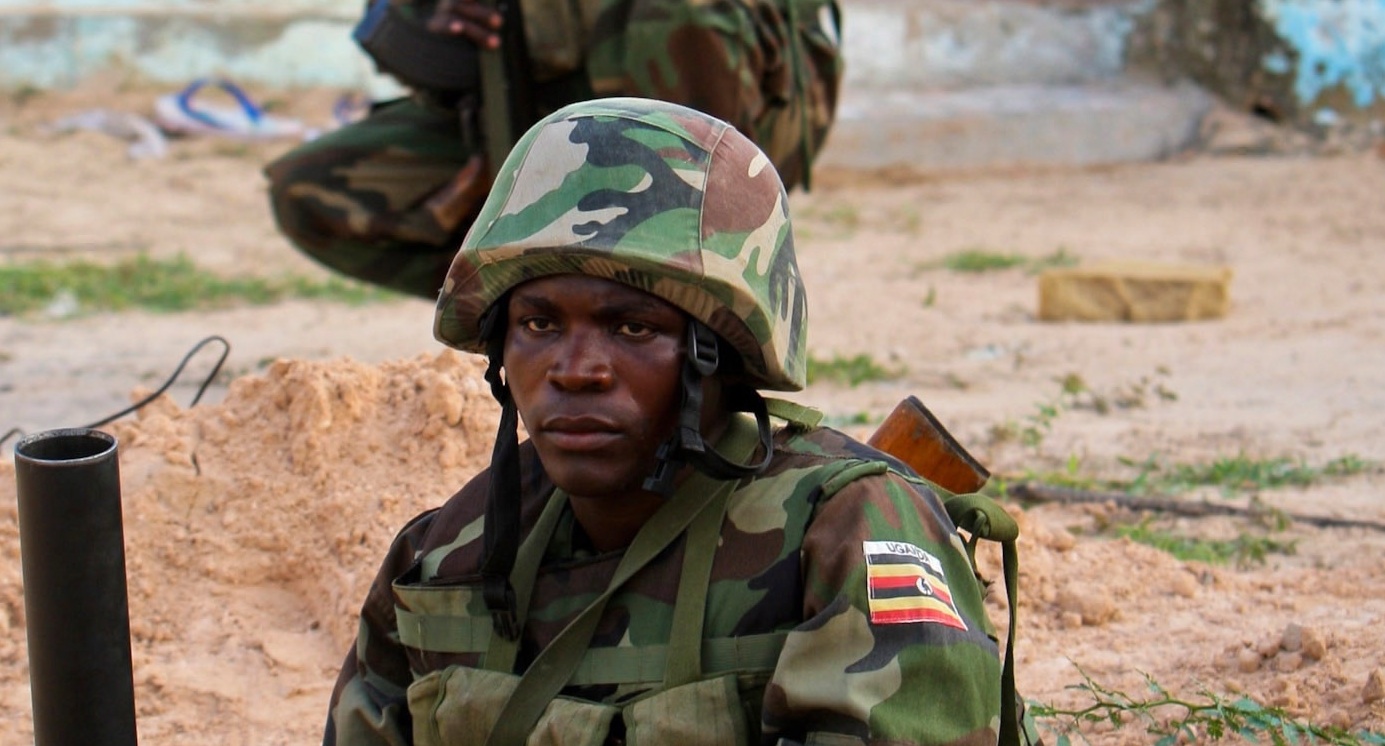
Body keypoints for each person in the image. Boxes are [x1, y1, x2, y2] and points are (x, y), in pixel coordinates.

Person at [324, 97, 1006, 746]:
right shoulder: (447, 556)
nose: (575, 370)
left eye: (633, 328)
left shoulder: (848, 530)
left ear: (723, 358)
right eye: (538, 324)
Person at [264, 0, 843, 300]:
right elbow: (390, 24)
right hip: (533, 101)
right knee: (308, 189)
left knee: (670, 12)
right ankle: (533, 298)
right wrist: (431, 15)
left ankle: (699, 277)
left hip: (733, 104)